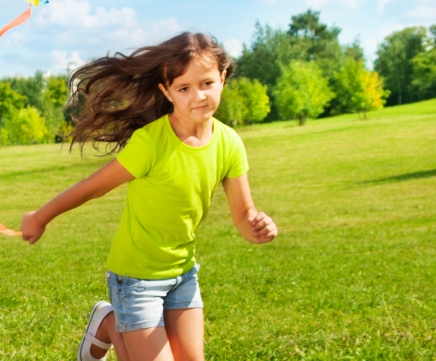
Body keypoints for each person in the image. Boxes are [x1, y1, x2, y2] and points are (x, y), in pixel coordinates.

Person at [19, 33, 279, 361]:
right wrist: (40, 216)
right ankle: (113, 323)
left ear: (222, 79)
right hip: (137, 278)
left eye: (207, 83)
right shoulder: (151, 142)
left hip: (183, 274)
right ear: (166, 91)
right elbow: (92, 187)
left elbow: (244, 215)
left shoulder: (229, 143)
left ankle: (112, 323)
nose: (198, 96)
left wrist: (258, 227)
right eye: (184, 88)